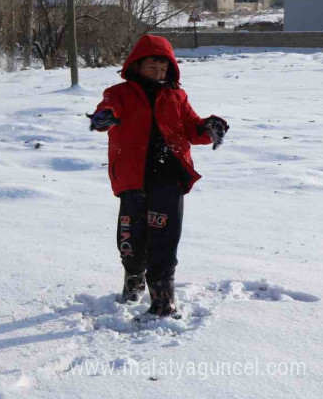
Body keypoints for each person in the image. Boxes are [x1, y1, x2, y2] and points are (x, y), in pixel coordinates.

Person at [88, 34, 229, 321]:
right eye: (152, 68)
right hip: (133, 180)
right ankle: (134, 280)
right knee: (131, 238)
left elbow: (192, 127)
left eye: (163, 69)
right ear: (137, 66)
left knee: (164, 240)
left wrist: (210, 128)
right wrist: (103, 117)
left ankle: (163, 302)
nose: (158, 73)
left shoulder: (177, 95)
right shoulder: (119, 93)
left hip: (169, 177)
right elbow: (108, 109)